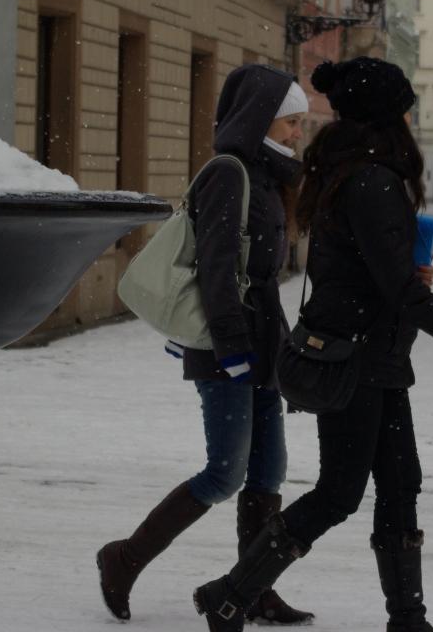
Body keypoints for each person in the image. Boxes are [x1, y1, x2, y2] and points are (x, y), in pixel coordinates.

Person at [193, 57, 433, 632]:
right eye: (403, 110)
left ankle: (408, 619)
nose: (408, 120)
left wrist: (405, 272)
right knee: (338, 493)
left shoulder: (354, 172)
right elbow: (394, 288)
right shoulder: (371, 181)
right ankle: (230, 594)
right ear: (385, 116)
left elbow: (362, 271)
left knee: (401, 485)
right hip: (354, 357)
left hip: (376, 355)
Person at [97, 65, 314, 625]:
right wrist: (232, 347)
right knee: (225, 473)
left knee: (268, 474)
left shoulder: (270, 177)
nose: (298, 133)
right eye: (291, 122)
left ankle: (251, 589)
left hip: (263, 345)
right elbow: (216, 268)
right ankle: (123, 559)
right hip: (227, 347)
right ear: (262, 119)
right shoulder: (229, 174)